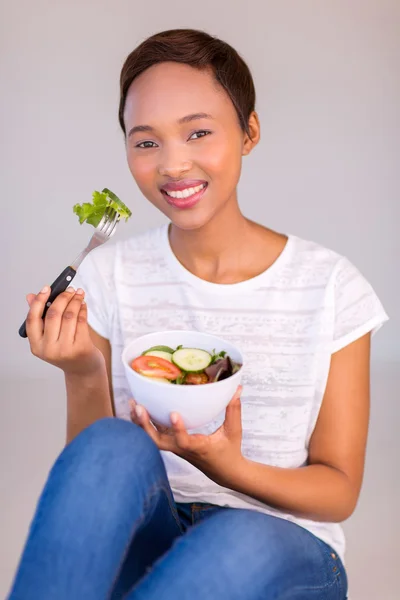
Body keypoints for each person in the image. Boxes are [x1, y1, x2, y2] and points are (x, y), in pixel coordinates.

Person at [9, 29, 388, 600]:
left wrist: (225, 467)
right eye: (146, 142)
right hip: (153, 530)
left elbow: (338, 492)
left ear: (249, 133)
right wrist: (83, 371)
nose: (172, 163)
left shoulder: (331, 286)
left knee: (236, 537)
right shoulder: (107, 275)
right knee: (111, 446)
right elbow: (94, 479)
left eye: (199, 132)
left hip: (283, 550)